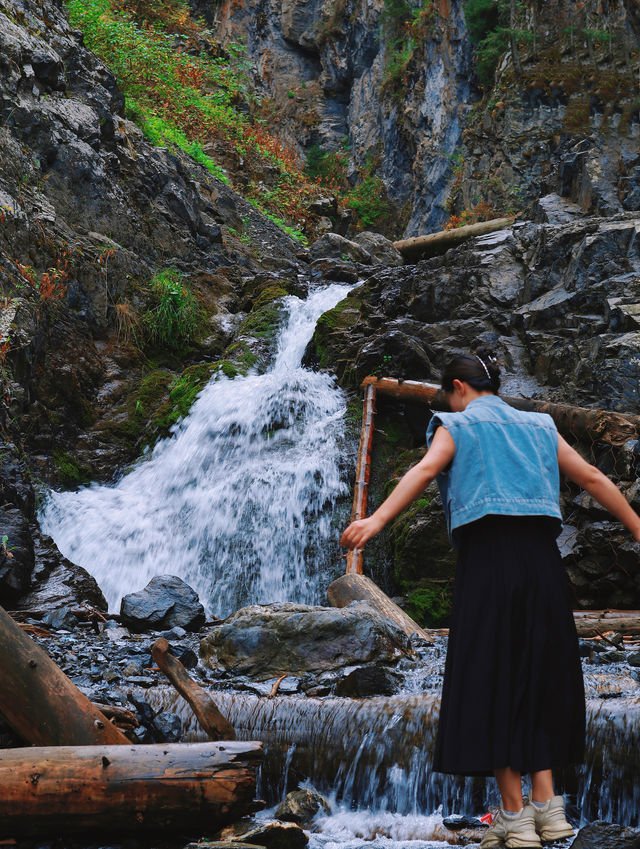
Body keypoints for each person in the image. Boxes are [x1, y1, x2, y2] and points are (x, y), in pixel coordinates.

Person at [340, 350, 640, 849]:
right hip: (543, 567)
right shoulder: (540, 426)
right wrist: (636, 525)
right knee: (538, 672)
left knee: (493, 676)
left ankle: (515, 817)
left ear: (458, 387)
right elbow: (590, 478)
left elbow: (422, 470)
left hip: (487, 567)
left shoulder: (458, 426)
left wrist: (375, 521)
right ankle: (550, 810)